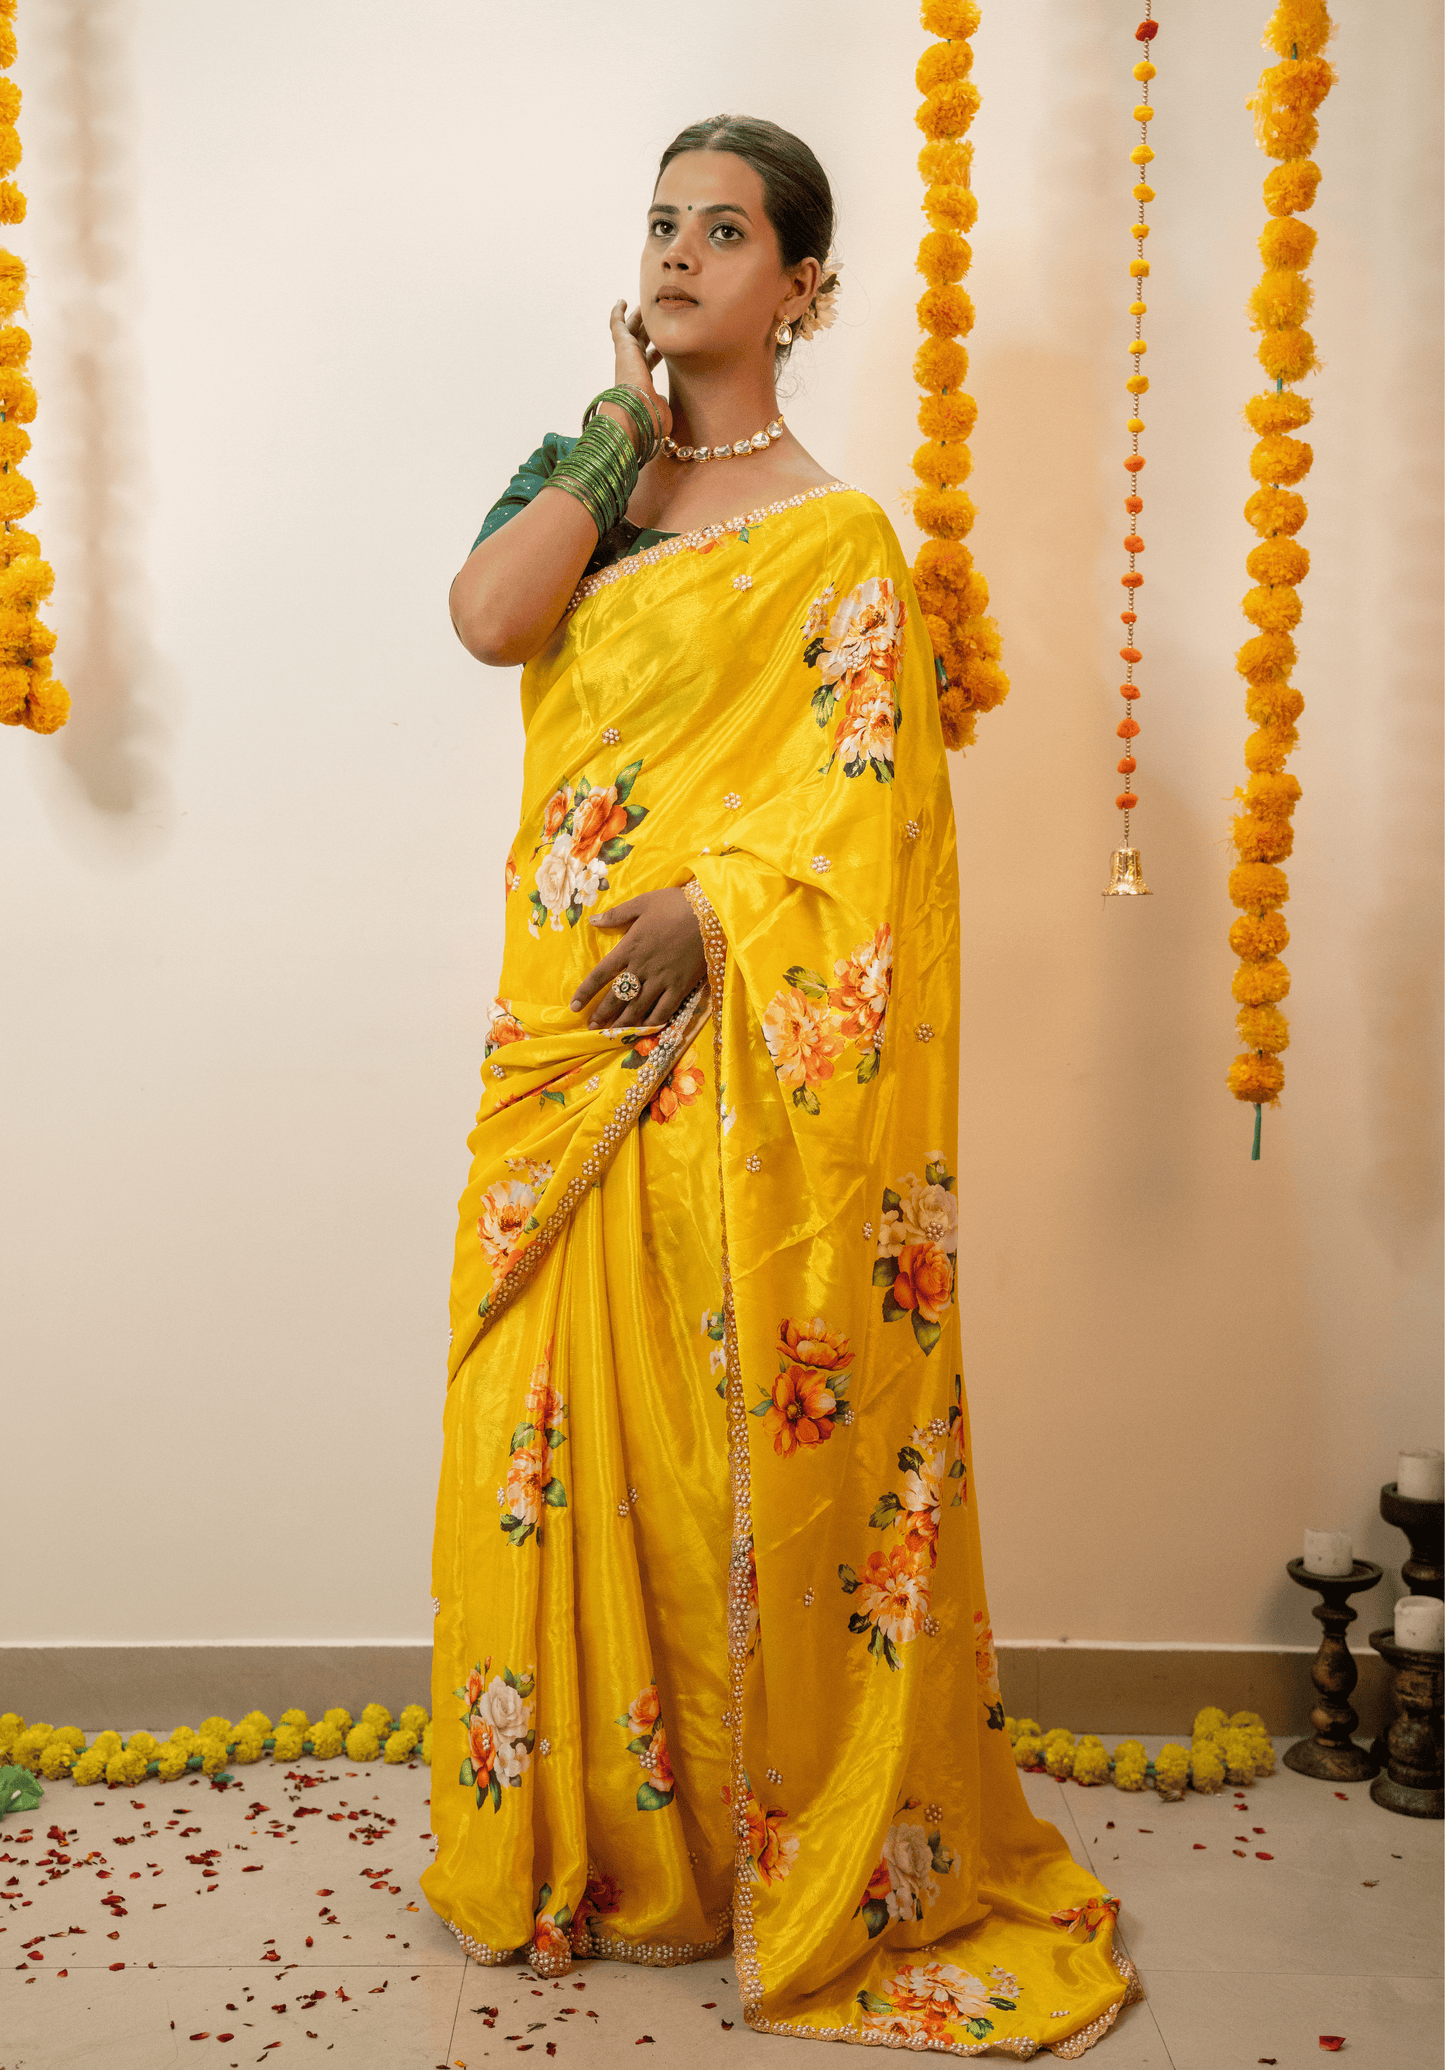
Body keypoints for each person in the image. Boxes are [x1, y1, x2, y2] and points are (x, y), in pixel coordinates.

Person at [422, 113, 1139, 2058]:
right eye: (658, 225)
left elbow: (868, 835)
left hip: (717, 1064)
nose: (676, 254)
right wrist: (606, 434)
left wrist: (717, 912)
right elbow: (489, 621)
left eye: (719, 232)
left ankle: (735, 1857)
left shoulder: (836, 542)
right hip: (561, 1038)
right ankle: (585, 1839)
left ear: (799, 285)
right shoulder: (586, 474)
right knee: (543, 1434)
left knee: (695, 1453)